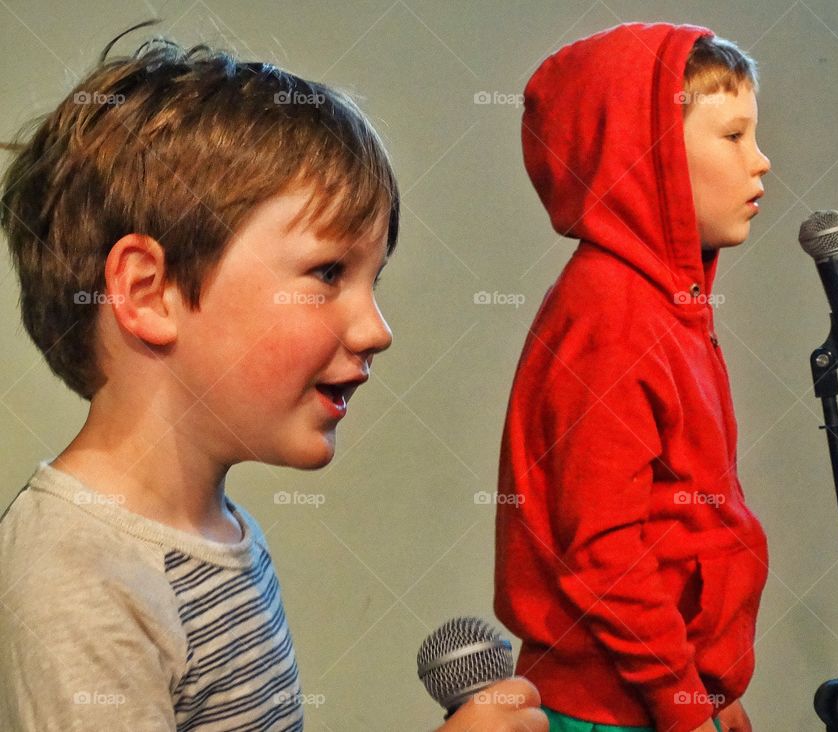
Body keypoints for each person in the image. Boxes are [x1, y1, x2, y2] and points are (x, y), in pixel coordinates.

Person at [0, 22, 546, 732]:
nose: (376, 329)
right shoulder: (77, 578)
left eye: (371, 281)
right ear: (147, 293)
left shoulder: (219, 537)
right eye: (327, 274)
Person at [494, 22, 772, 732]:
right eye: (734, 136)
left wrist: (714, 687)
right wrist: (684, 702)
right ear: (648, 156)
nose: (761, 161)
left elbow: (682, 516)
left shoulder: (667, 307)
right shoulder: (611, 315)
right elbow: (605, 551)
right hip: (608, 712)